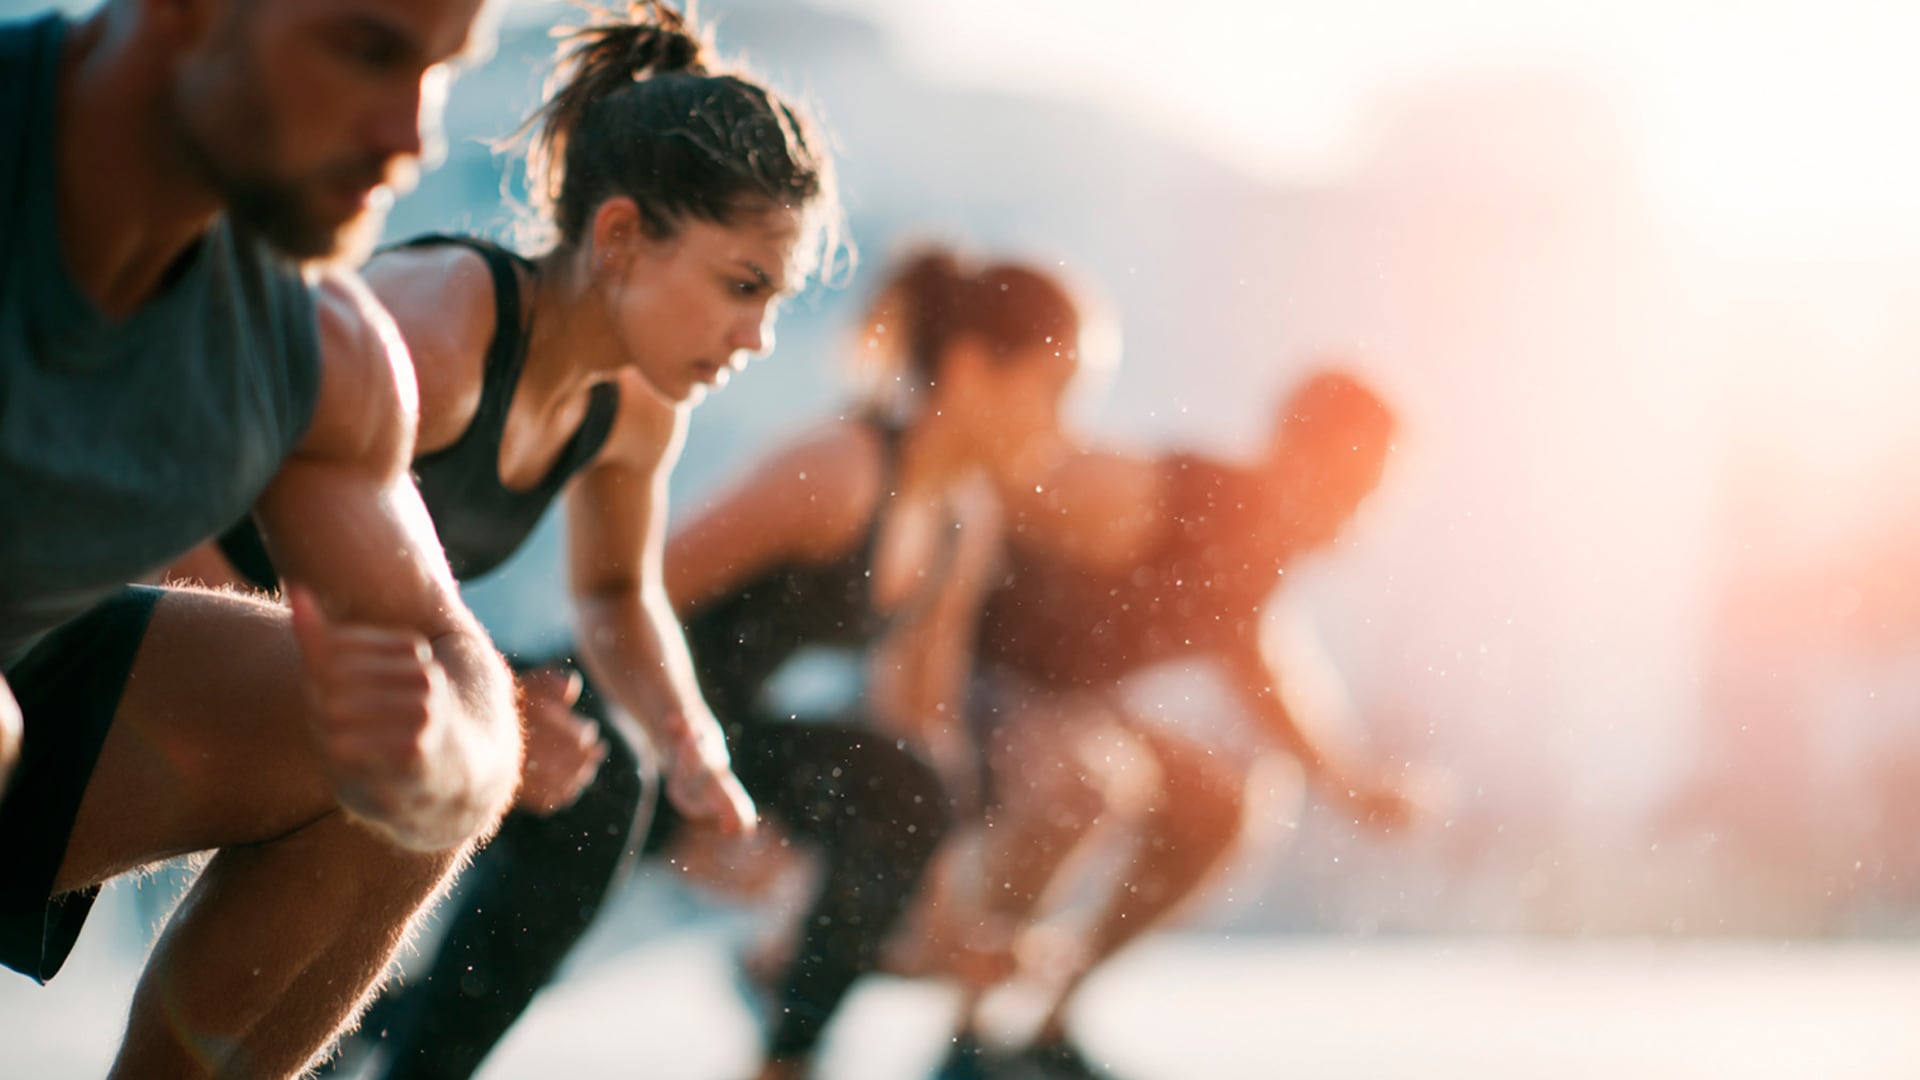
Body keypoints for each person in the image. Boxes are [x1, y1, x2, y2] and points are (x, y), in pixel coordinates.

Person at [161, 3, 844, 1078]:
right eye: (741, 285)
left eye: (775, 300)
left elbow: (617, 594)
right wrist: (453, 699)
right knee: (466, 745)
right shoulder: (439, 327)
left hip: (336, 666)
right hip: (168, 607)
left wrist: (690, 745)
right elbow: (170, 503)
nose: (757, 336)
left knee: (598, 781)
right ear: (619, 237)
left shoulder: (637, 406)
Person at [0, 1, 524, 1076]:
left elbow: (458, 672)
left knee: (375, 784)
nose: (412, 136)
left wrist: (437, 765)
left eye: (438, 70)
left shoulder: (315, 346)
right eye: (370, 49)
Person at [926, 366, 1419, 1078]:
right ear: (1301, 455)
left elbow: (1273, 680)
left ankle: (1051, 1026)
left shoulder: (1258, 567)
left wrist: (1355, 785)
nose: (1365, 508)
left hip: (1071, 707)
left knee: (1220, 805)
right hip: (971, 677)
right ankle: (968, 1034)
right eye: (1359, 481)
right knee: (1084, 780)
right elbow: (971, 492)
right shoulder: (1161, 493)